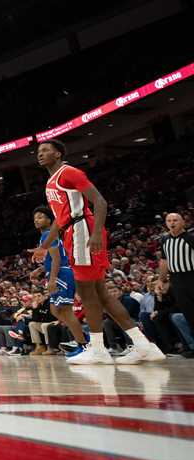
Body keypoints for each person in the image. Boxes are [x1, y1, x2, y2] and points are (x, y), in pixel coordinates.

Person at [33, 140, 163, 365]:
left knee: (86, 292)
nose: (40, 154)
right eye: (38, 151)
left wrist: (94, 234)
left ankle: (98, 349)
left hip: (82, 229)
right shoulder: (50, 182)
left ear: (58, 153)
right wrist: (44, 247)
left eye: (46, 150)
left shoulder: (68, 172)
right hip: (72, 230)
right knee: (101, 293)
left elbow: (100, 201)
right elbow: (59, 221)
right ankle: (143, 345)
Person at [29, 206, 89, 360]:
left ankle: (83, 344)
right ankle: (83, 338)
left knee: (65, 311)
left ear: (50, 220)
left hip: (61, 274)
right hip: (58, 272)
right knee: (55, 311)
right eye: (35, 217)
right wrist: (41, 269)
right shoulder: (47, 236)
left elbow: (57, 259)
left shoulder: (48, 235)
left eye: (41, 217)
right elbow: (53, 258)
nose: (37, 219)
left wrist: (52, 279)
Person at [157, 211, 194, 347]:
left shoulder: (190, 238)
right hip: (176, 279)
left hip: (191, 275)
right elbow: (164, 261)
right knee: (188, 313)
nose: (172, 223)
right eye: (169, 221)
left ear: (183, 222)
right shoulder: (164, 240)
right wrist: (162, 280)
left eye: (175, 220)